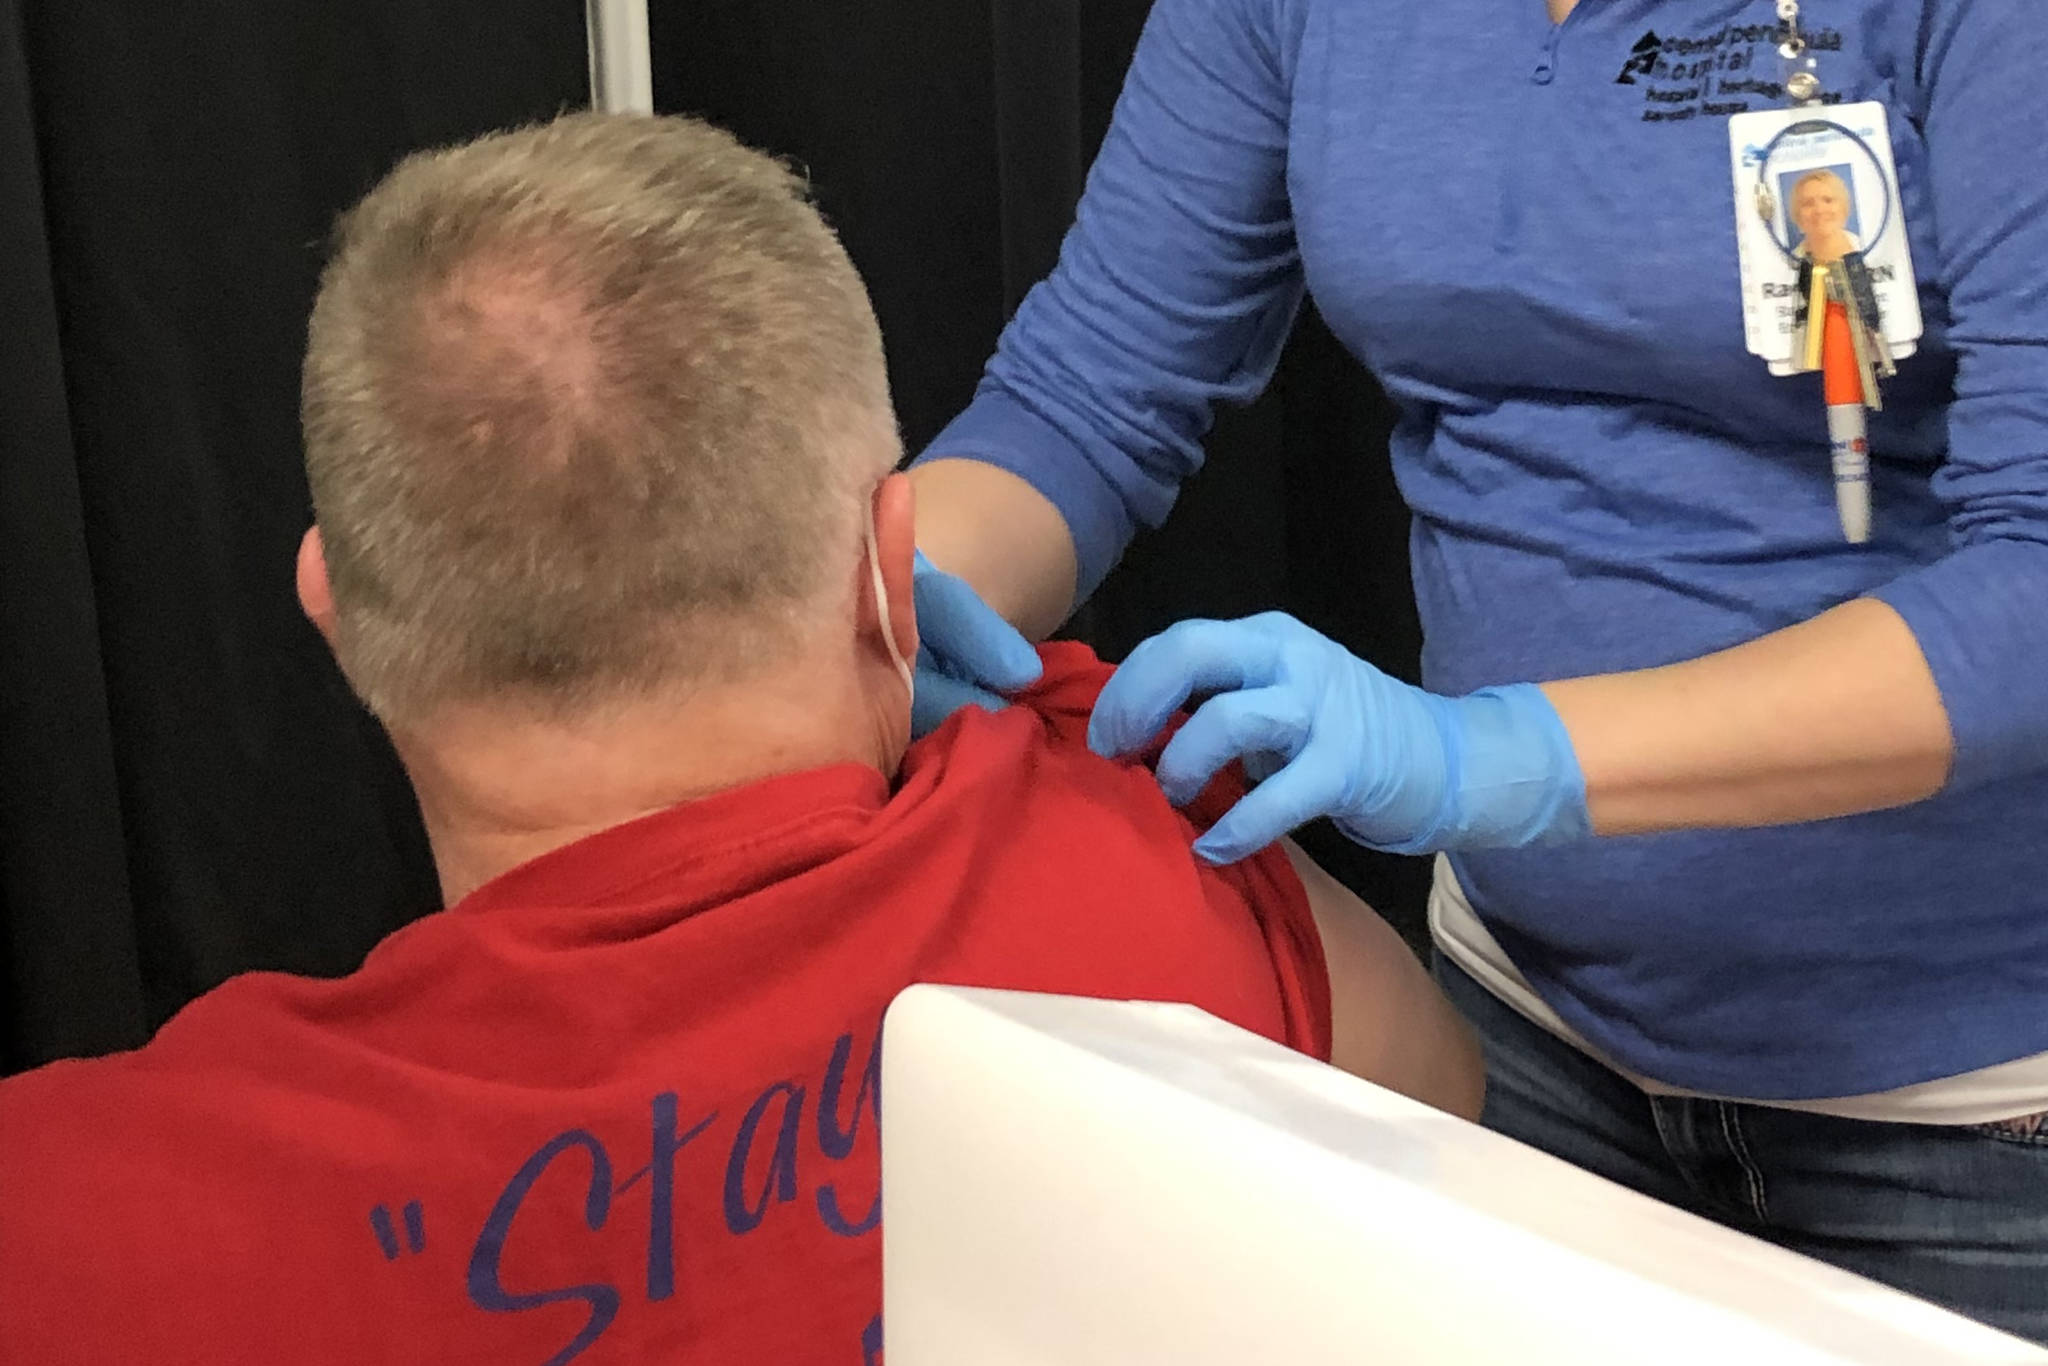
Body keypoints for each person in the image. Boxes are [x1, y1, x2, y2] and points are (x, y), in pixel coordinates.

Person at [0, 112, 1482, 1365]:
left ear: (333, 608)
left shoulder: (73, 1219)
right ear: (897, 564)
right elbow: (1443, 1110)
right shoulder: (1150, 840)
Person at [903, 0, 2048, 1344]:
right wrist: (848, 621)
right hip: (1524, 1034)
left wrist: (1500, 758)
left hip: (1972, 1118)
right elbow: (1089, 390)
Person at [1790, 169, 1860, 263]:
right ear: (1798, 214)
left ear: (1843, 207)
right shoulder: (1789, 266)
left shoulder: (1864, 246)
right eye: (1808, 203)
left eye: (1828, 200)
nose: (1819, 210)